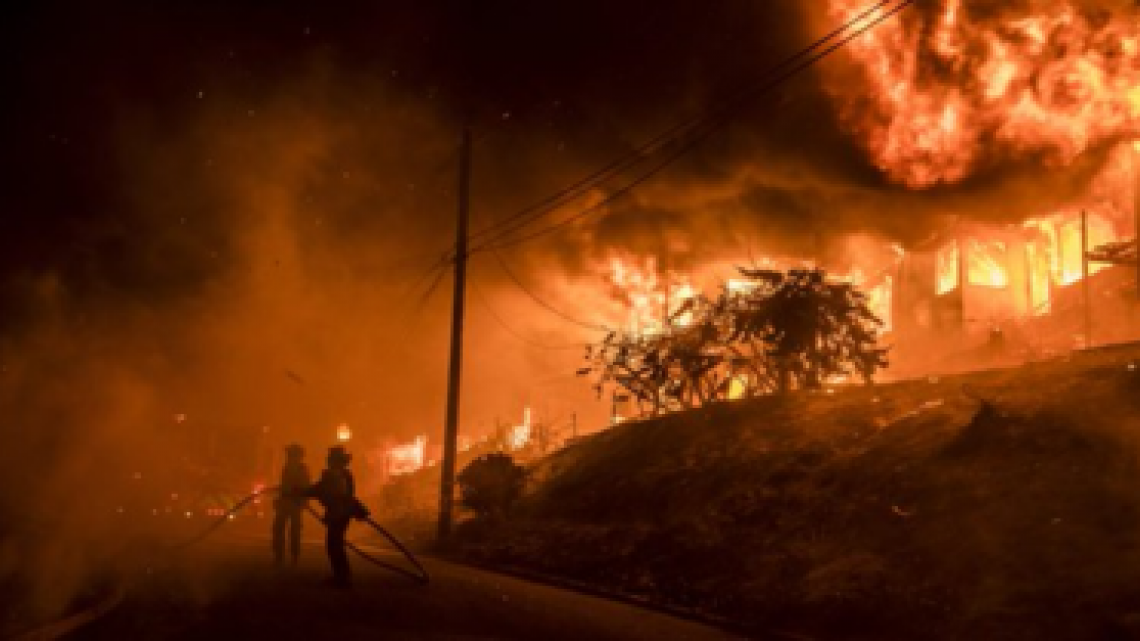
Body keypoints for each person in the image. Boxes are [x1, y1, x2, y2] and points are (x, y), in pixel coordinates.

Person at [305, 445, 369, 588]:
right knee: (335, 544)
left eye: (331, 459)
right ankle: (342, 576)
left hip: (339, 513)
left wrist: (301, 492)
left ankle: (342, 578)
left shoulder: (335, 475)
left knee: (334, 545)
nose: (328, 461)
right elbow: (321, 490)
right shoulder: (344, 474)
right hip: (342, 513)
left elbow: (319, 489)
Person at [272, 444, 311, 567]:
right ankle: (279, 556)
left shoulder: (302, 469)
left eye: (290, 454)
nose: (287, 456)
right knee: (278, 529)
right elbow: (284, 486)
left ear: (297, 456)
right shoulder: (287, 468)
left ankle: (294, 557)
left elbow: (305, 487)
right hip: (285, 504)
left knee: (294, 532)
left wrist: (302, 501)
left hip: (295, 504)